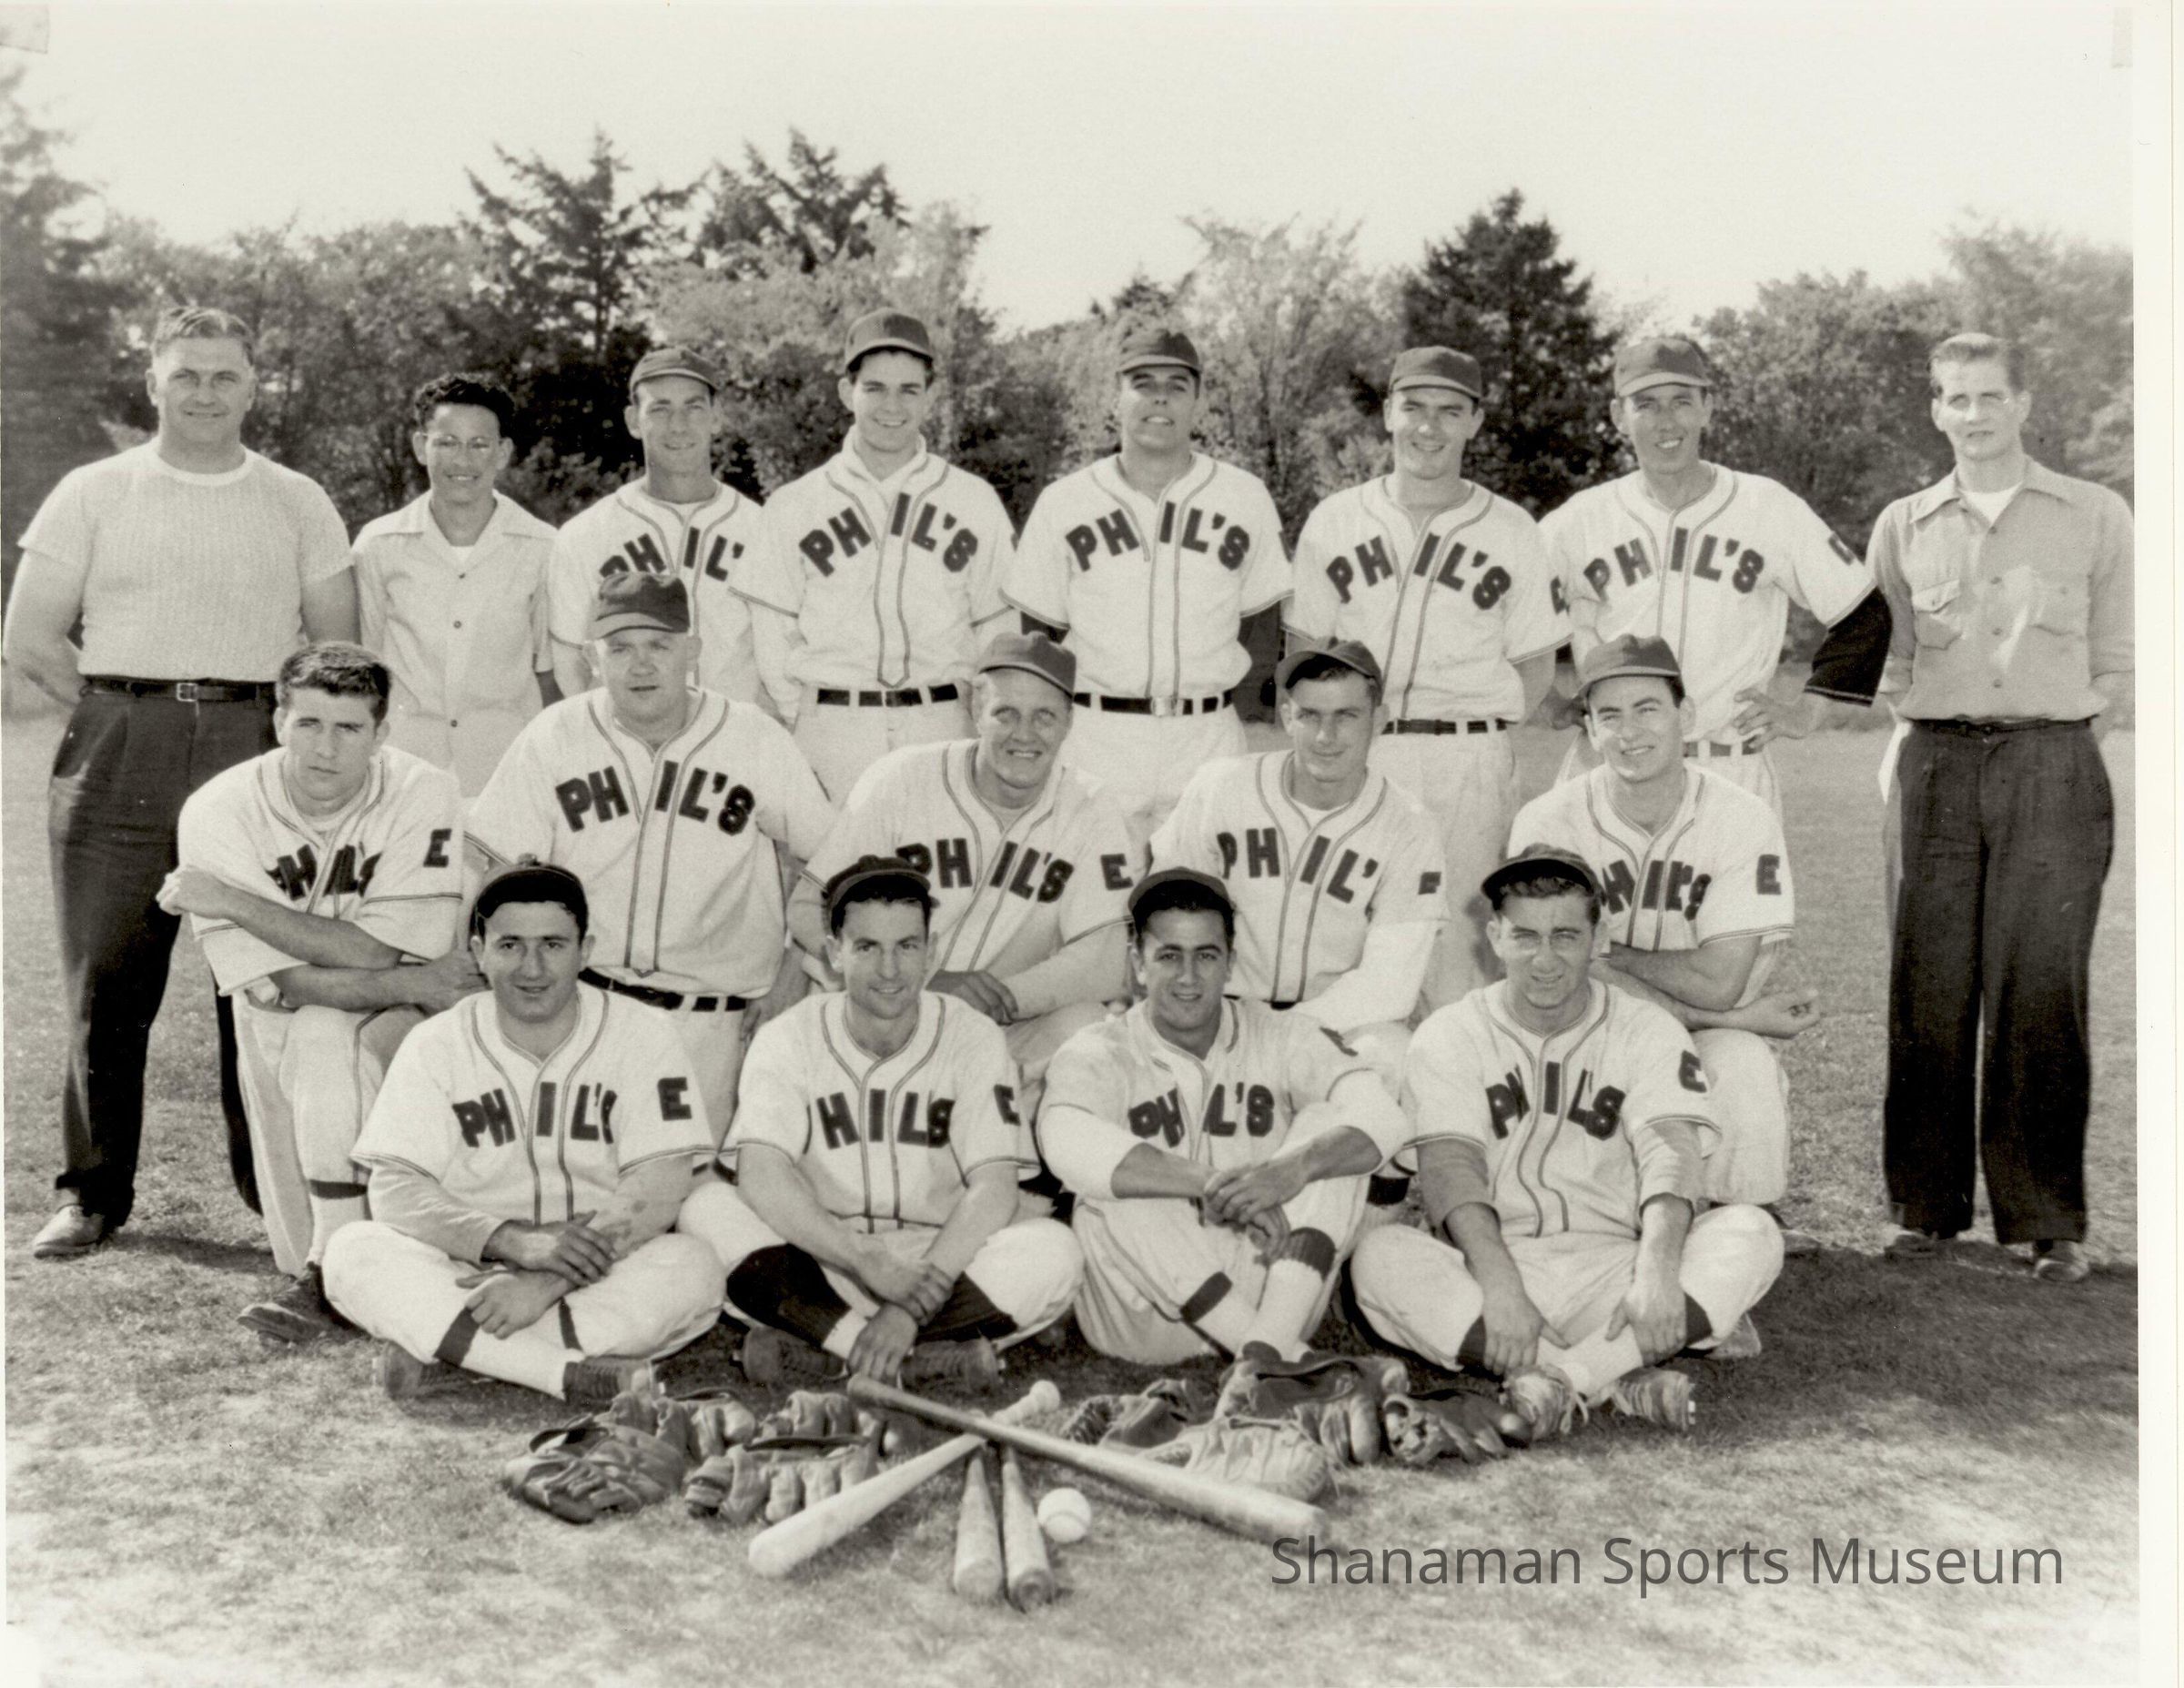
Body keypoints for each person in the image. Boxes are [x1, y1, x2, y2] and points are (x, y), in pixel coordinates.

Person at [5, 304, 359, 1260]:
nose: (205, 392)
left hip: (257, 742)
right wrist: (120, 708)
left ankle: (273, 1188)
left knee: (265, 975)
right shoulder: (93, 490)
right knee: (106, 978)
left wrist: (279, 732)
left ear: (254, 387)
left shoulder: (296, 499)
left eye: (225, 375)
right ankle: (92, 1190)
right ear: (153, 382)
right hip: (121, 740)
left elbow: (337, 649)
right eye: (187, 374)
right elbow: (29, 637)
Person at [1350, 847, 1785, 1439]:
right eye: (1525, 936)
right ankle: (1614, 1378)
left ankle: (1561, 1379)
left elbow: (1671, 1152)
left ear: (1597, 939)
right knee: (1379, 1258)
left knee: (1752, 1233)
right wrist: (1500, 1284)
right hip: (1492, 1266)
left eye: (1565, 936)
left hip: (1616, 1270)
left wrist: (1656, 1272)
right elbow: (1452, 1166)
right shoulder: (1449, 1033)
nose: (1545, 959)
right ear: (1495, 937)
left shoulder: (1645, 1028)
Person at [1867, 333, 2132, 1283]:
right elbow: (1892, 656)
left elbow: (2124, 655)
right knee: (1929, 987)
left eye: (1990, 396)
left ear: (2023, 404)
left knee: (2041, 990)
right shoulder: (1903, 522)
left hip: (2052, 760)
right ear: (1935, 410)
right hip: (1937, 761)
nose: (1973, 414)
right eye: (1956, 397)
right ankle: (1923, 1210)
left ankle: (2046, 1219)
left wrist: (2060, 735)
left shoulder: (2095, 514)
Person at [157, 642, 475, 1339]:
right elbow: (287, 980)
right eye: (308, 723)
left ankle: (329, 1268)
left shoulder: (423, 789)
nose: (325, 748)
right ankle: (332, 1259)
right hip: (278, 1023)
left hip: (398, 1022)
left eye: (349, 728)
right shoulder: (218, 808)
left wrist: (234, 901)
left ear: (382, 732)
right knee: (292, 1236)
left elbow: (376, 949)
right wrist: (411, 978)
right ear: (278, 721)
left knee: (327, 1031)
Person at [323, 863, 723, 1408]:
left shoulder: (644, 1033)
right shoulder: (436, 1042)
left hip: (597, 1267)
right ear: (479, 952)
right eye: (510, 945)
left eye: (553, 945)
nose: (532, 968)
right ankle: (561, 1372)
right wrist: (514, 1242)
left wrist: (544, 1283)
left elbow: (660, 1185)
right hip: (467, 1266)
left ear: (585, 951)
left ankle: (458, 1351)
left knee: (693, 1267)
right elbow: (395, 1190)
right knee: (352, 1251)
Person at [677, 858, 1084, 1387]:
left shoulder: (972, 1035)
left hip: (938, 1264)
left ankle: (833, 1346)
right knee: (707, 1209)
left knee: (1055, 1252)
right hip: (823, 1259)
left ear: (931, 952)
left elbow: (994, 1187)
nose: (889, 969)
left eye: (906, 946)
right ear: (834, 953)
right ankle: (904, 1357)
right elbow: (761, 1173)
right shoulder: (788, 1036)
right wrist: (863, 1259)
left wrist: (906, 1309)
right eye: (867, 947)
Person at [466, 573, 835, 1137]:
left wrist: (796, 969)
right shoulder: (555, 734)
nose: (641, 665)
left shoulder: (754, 738)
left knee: (704, 1182)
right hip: (587, 1010)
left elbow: (833, 861)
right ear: (593, 658)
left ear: (693, 651)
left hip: (717, 1024)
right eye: (620, 648)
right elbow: (497, 873)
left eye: (659, 645)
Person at [1510, 635, 1822, 1247]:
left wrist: (1607, 952)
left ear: (1687, 715)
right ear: (1589, 730)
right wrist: (1736, 1015)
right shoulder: (1547, 821)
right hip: (1579, 1029)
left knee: (1742, 1062)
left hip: (1698, 1027)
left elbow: (1720, 979)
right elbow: (1555, 976)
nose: (1629, 732)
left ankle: (1739, 1224)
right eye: (1609, 715)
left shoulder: (1742, 816)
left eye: (1647, 708)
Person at [1287, 346, 1568, 1006]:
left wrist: (1483, 730)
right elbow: (1302, 651)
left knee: (1460, 959)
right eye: (1414, 407)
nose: (1429, 427)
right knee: (1343, 942)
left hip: (1467, 757)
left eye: (1449, 411)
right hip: (1359, 751)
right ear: (1388, 413)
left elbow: (1535, 665)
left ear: (1475, 422)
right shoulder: (1336, 519)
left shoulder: (1512, 528)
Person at [1038, 868, 1409, 1364]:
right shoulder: (1097, 1050)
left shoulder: (1280, 1032)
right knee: (1111, 1182)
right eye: (1169, 955)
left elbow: (1384, 1116)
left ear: (1230, 962)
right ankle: (1281, 1359)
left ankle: (1265, 1353)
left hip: (1267, 1278)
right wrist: (1213, 1185)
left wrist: (1293, 1169)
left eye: (1206, 956)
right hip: (1145, 1310)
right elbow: (1066, 1141)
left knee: (1331, 1133)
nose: (1188, 977)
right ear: (1138, 963)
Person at [788, 632, 1140, 1130]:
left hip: (1004, 1024)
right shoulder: (903, 778)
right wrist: (917, 983)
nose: (1024, 735)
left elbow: (1102, 962)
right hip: (885, 1013)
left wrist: (991, 1000)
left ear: (1068, 722)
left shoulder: (1090, 805)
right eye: (1006, 713)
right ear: (976, 708)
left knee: (1088, 1031)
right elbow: (808, 908)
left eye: (1044, 716)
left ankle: (1034, 1163)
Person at [1539, 335, 1890, 812]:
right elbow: (1501, 618)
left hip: (1728, 768)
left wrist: (1809, 710)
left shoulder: (1767, 507)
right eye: (1646, 404)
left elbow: (1864, 612)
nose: (1667, 421)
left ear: (1707, 407)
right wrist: (1548, 702)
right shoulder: (1578, 521)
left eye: (1682, 401)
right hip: (1610, 770)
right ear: (1619, 416)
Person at [1002, 326, 1290, 841]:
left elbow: (1262, 629)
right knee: (1093, 884)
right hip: (1096, 734)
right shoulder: (1066, 501)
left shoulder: (1243, 496)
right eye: (1143, 383)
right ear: (1116, 397)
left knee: (1203, 885)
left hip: (1208, 733)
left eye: (1177, 386)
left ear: (1198, 401)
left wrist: (1252, 722)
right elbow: (1039, 637)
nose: (1160, 397)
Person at [733, 308, 1016, 800]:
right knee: (830, 852)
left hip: (941, 722)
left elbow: (997, 627)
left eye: (909, 390)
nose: (892, 406)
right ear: (848, 392)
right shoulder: (796, 503)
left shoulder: (972, 499)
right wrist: (805, 714)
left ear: (930, 396)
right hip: (832, 731)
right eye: (875, 388)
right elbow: (772, 633)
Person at [1150, 642, 1445, 1085]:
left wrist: (1281, 1034)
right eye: (1310, 715)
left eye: (1346, 716)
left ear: (1379, 720)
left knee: (1392, 1055)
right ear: (1287, 717)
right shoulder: (1221, 788)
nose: (1326, 736)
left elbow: (1390, 984)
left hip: (1337, 1023)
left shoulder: (1410, 826)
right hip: (1219, 1014)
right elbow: (1163, 922)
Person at [352, 372, 560, 795]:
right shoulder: (378, 544)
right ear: (420, 447)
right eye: (447, 442)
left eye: (479, 444)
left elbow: (550, 675)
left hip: (506, 771)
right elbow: (363, 667)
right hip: (402, 768)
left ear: (503, 452)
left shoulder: (544, 548)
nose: (462, 461)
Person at [544, 345, 764, 709]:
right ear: (634, 420)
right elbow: (569, 659)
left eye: (694, 408)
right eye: (660, 409)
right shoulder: (586, 534)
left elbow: (780, 660)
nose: (678, 425)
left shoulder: (761, 530)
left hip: (735, 733)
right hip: (624, 735)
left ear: (716, 417)